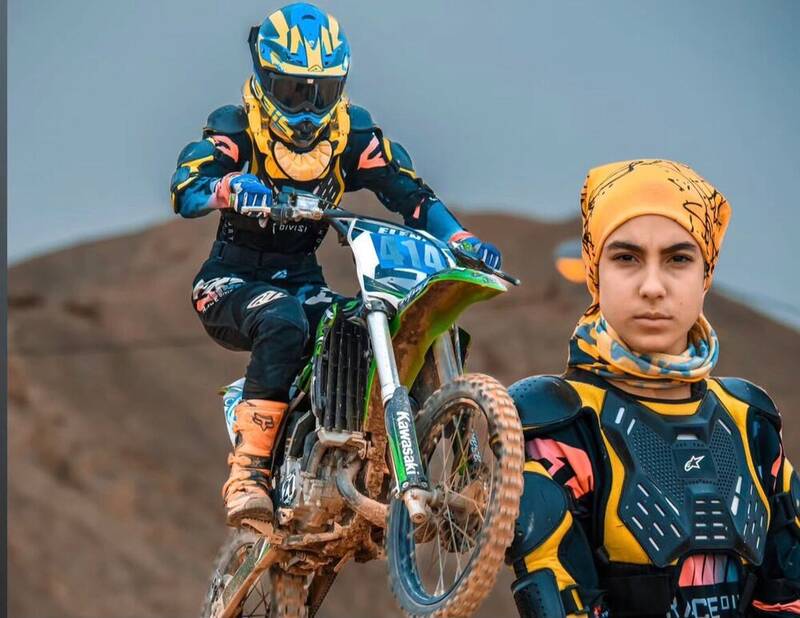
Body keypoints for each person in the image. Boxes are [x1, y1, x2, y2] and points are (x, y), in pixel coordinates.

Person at [169, 3, 501, 527]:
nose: (306, 109)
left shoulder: (352, 136)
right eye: (292, 91)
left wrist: (459, 237)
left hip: (303, 280)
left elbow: (411, 194)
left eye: (319, 93)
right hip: (231, 280)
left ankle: (422, 464)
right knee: (283, 320)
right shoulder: (238, 128)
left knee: (372, 326)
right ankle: (248, 472)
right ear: (264, 80)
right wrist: (228, 187)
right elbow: (186, 187)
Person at [507, 159, 800, 617]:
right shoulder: (559, 423)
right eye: (626, 258)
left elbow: (789, 588)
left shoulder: (751, 421)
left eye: (678, 259)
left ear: (706, 275)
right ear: (594, 271)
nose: (652, 286)